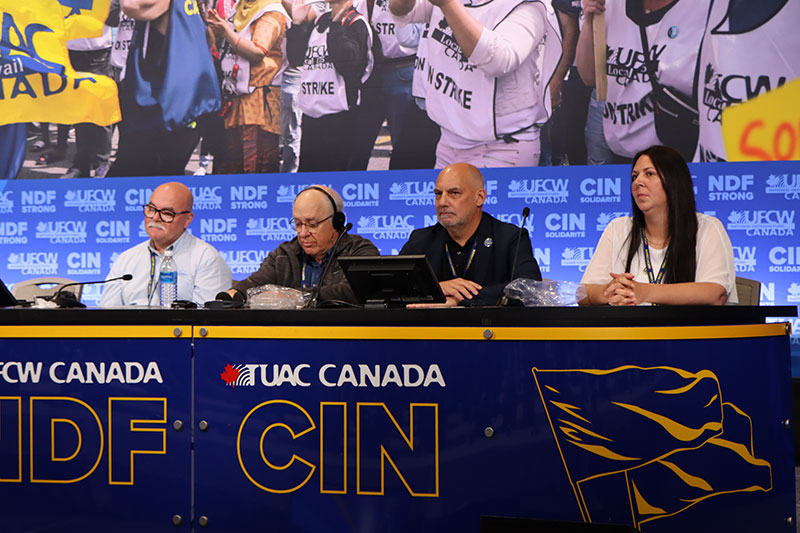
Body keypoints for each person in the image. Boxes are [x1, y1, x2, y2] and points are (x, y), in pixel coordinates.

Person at [389, 0, 562, 168]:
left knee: (483, 198)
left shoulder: (530, 5)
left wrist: (448, 4)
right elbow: (404, 13)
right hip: (450, 139)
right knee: (446, 198)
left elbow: (499, 60)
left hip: (503, 146)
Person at [580, 145, 737, 306]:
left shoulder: (707, 228)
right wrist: (608, 291)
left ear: (673, 181)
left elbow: (715, 294)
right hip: (631, 330)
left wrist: (645, 292)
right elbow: (582, 294)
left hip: (689, 330)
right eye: (634, 176)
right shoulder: (618, 229)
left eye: (649, 174)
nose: (638, 182)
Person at [576, 0, 710, 163]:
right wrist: (588, 22)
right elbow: (589, 77)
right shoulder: (608, 5)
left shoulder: (707, 10)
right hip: (621, 154)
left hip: (676, 157)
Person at [400, 162, 542, 306]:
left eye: (454, 193)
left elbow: (529, 289)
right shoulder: (420, 240)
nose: (442, 202)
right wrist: (437, 288)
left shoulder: (509, 238)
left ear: (479, 197)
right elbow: (390, 288)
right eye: (438, 194)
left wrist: (459, 299)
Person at [108, 0, 221, 177]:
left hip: (173, 103)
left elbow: (130, 6)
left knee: (140, 172)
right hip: (189, 98)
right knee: (165, 172)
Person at [225, 186, 379, 304]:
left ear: (336, 222)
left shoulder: (359, 251)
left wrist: (297, 297)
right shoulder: (284, 254)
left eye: (312, 224)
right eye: (298, 224)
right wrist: (234, 293)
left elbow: (358, 290)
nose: (303, 233)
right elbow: (255, 283)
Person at [100, 182, 232, 306]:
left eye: (167, 213)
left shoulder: (206, 258)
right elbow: (106, 316)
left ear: (187, 219)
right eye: (151, 209)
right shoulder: (126, 259)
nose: (156, 218)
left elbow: (208, 320)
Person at [207, 0, 289, 173]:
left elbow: (257, 51)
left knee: (256, 164)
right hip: (234, 98)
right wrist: (215, 28)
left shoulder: (271, 12)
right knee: (230, 163)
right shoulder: (239, 9)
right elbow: (223, 44)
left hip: (259, 102)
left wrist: (226, 31)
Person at [296, 0, 375, 171]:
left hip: (339, 119)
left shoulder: (357, 23)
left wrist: (337, 27)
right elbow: (295, 58)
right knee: (308, 181)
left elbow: (348, 65)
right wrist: (296, 25)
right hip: (311, 115)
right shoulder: (319, 21)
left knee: (333, 182)